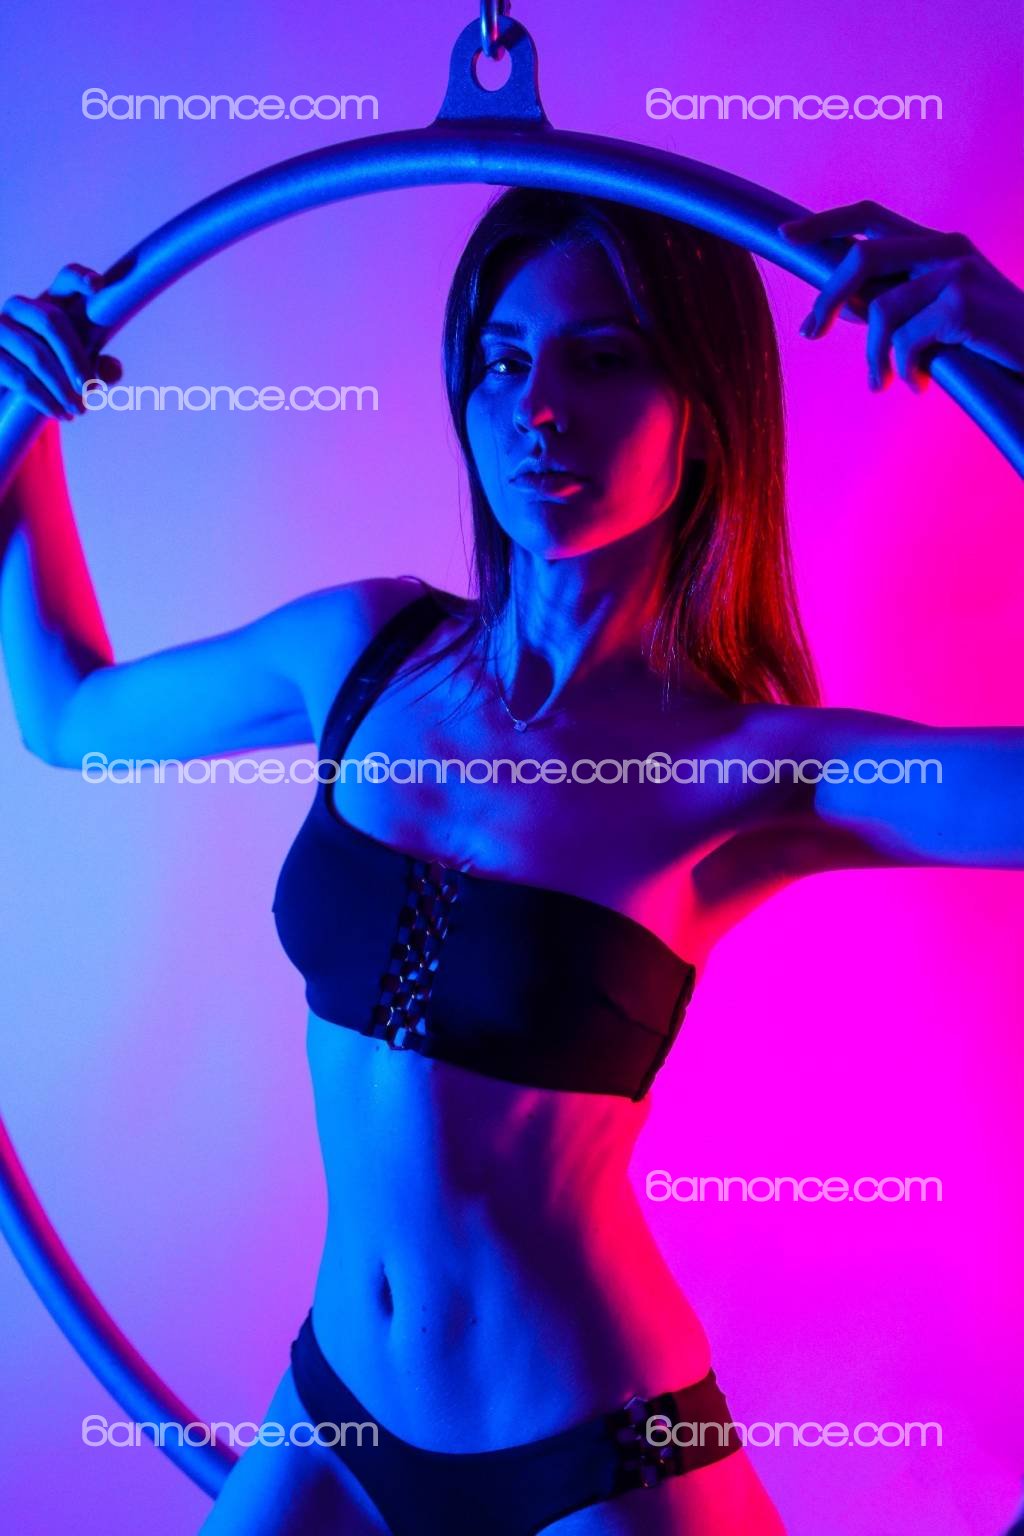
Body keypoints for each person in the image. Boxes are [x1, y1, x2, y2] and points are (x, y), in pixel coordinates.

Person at [1, 188, 1022, 1536]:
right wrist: (16, 425)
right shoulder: (360, 653)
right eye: (503, 358)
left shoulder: (751, 770)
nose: (539, 406)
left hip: (597, 1459)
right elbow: (69, 715)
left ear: (704, 408)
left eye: (602, 358)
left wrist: (1013, 346)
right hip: (334, 1418)